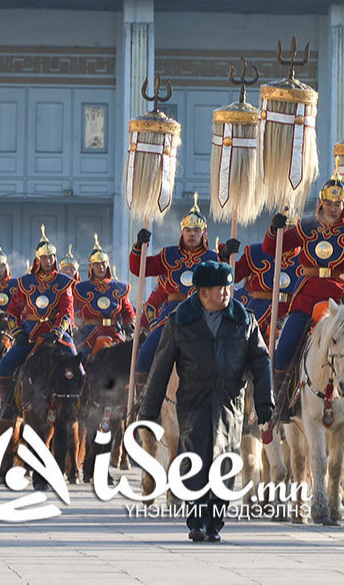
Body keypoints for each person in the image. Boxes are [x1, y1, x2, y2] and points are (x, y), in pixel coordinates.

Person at [139, 260, 273, 543]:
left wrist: (264, 400)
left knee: (224, 463)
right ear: (202, 292)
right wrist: (148, 412)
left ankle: (216, 522)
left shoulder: (245, 321)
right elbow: (161, 368)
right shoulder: (179, 322)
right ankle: (197, 520)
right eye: (219, 288)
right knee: (195, 460)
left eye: (228, 287)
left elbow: (261, 361)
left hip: (229, 402)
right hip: (194, 399)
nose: (226, 293)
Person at [266, 167, 344, 424]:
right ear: (321, 203)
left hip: (340, 301)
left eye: (337, 204)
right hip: (307, 298)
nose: (332, 208)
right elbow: (273, 249)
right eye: (328, 203)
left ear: (343, 206)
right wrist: (275, 228)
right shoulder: (306, 227)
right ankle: (279, 403)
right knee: (283, 349)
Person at [129, 193, 219, 390]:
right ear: (182, 233)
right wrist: (138, 247)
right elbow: (140, 269)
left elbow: (228, 285)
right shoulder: (169, 255)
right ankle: (142, 402)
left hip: (205, 314)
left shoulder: (214, 258)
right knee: (145, 354)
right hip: (173, 314)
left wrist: (229, 257)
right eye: (187, 230)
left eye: (196, 230)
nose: (192, 234)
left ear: (204, 234)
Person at [0, 227, 76, 421]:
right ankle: (7, 405)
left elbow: (67, 312)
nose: (48, 261)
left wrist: (56, 332)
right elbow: (13, 312)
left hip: (55, 334)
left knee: (76, 365)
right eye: (44, 258)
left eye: (51, 257)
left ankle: (77, 407)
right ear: (37, 260)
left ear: (55, 258)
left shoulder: (64, 282)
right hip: (30, 334)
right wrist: (17, 332)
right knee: (5, 365)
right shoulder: (25, 282)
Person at [227, 236, 298, 344]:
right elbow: (233, 276)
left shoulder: (307, 255)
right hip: (260, 309)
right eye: (283, 228)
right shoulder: (257, 252)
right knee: (240, 343)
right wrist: (226, 256)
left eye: (291, 228)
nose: (287, 232)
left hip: (294, 309)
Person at [73, 236, 136, 356]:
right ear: (91, 267)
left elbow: (127, 310)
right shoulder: (81, 288)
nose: (101, 268)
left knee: (129, 356)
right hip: (90, 333)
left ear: (108, 265)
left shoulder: (118, 287)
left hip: (114, 332)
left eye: (103, 264)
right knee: (78, 359)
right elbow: (73, 309)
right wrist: (75, 323)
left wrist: (129, 324)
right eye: (97, 265)